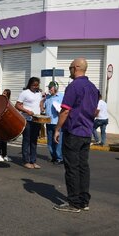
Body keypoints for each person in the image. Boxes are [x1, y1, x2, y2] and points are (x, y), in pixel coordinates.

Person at [53, 58, 99, 213]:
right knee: (83, 167)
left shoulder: (74, 86)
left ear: (76, 68)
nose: (69, 70)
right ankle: (84, 201)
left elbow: (65, 110)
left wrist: (57, 129)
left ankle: (74, 203)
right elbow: (95, 110)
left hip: (74, 132)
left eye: (70, 67)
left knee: (72, 168)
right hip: (87, 132)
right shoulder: (93, 87)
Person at [15, 77, 42, 169]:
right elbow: (17, 105)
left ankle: (33, 160)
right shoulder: (24, 93)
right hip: (27, 120)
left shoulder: (39, 93)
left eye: (37, 85)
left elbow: (39, 104)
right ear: (30, 84)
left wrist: (42, 109)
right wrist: (27, 111)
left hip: (36, 120)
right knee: (27, 140)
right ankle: (26, 161)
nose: (35, 87)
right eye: (34, 85)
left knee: (34, 141)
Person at [41, 81, 64, 165]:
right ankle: (54, 156)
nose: (49, 89)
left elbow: (66, 109)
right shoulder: (47, 97)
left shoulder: (62, 96)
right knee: (50, 141)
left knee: (58, 141)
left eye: (51, 88)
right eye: (49, 88)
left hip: (58, 123)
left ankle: (59, 158)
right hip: (49, 122)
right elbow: (43, 108)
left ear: (56, 88)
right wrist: (43, 99)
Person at [0, 89, 12, 162]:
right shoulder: (0, 101)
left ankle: (5, 154)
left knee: (4, 140)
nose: (3, 94)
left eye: (5, 93)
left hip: (5, 123)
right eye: (3, 92)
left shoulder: (9, 103)